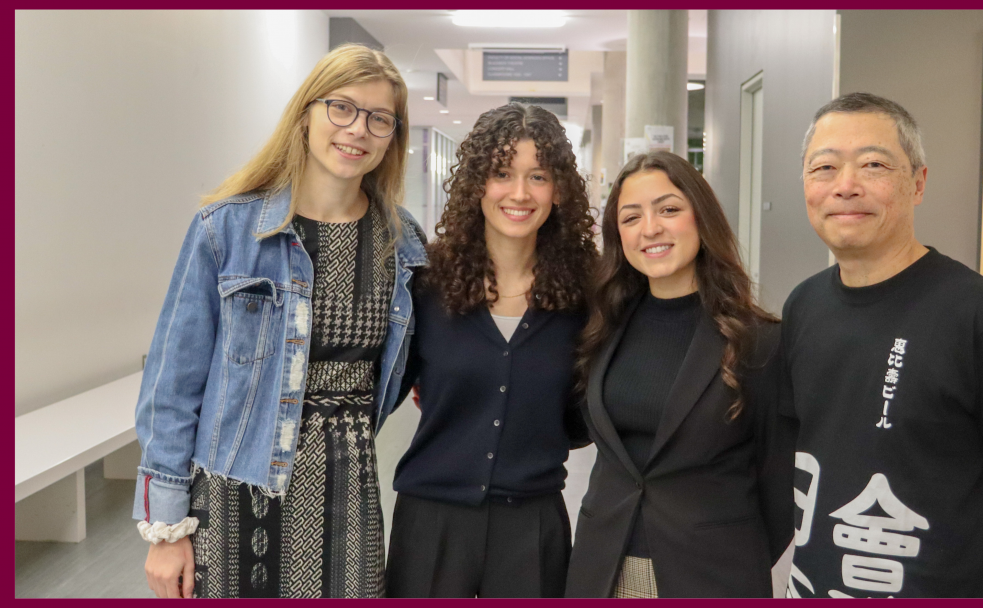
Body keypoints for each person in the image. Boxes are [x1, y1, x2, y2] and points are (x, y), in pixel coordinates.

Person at [133, 43, 426, 598]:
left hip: (349, 489)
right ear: (307, 113)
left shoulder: (403, 241)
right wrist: (166, 529)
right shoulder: (227, 229)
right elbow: (172, 385)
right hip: (236, 492)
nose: (357, 130)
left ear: (393, 135)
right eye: (342, 108)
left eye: (379, 118)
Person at [782, 92, 983, 598]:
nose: (845, 186)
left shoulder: (982, 314)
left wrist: (963, 581)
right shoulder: (803, 306)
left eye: (873, 164)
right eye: (823, 167)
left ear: (917, 183)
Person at [385, 103, 598, 598]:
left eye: (538, 176)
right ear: (478, 183)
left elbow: (589, 409)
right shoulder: (426, 286)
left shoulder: (586, 295)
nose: (519, 194)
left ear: (559, 190)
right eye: (503, 173)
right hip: (432, 522)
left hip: (533, 525)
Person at [565, 151, 794, 598]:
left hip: (711, 572)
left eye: (669, 209)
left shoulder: (759, 341)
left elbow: (779, 480)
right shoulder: (601, 327)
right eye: (631, 218)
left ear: (701, 218)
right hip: (602, 566)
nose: (650, 228)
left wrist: (731, 554)